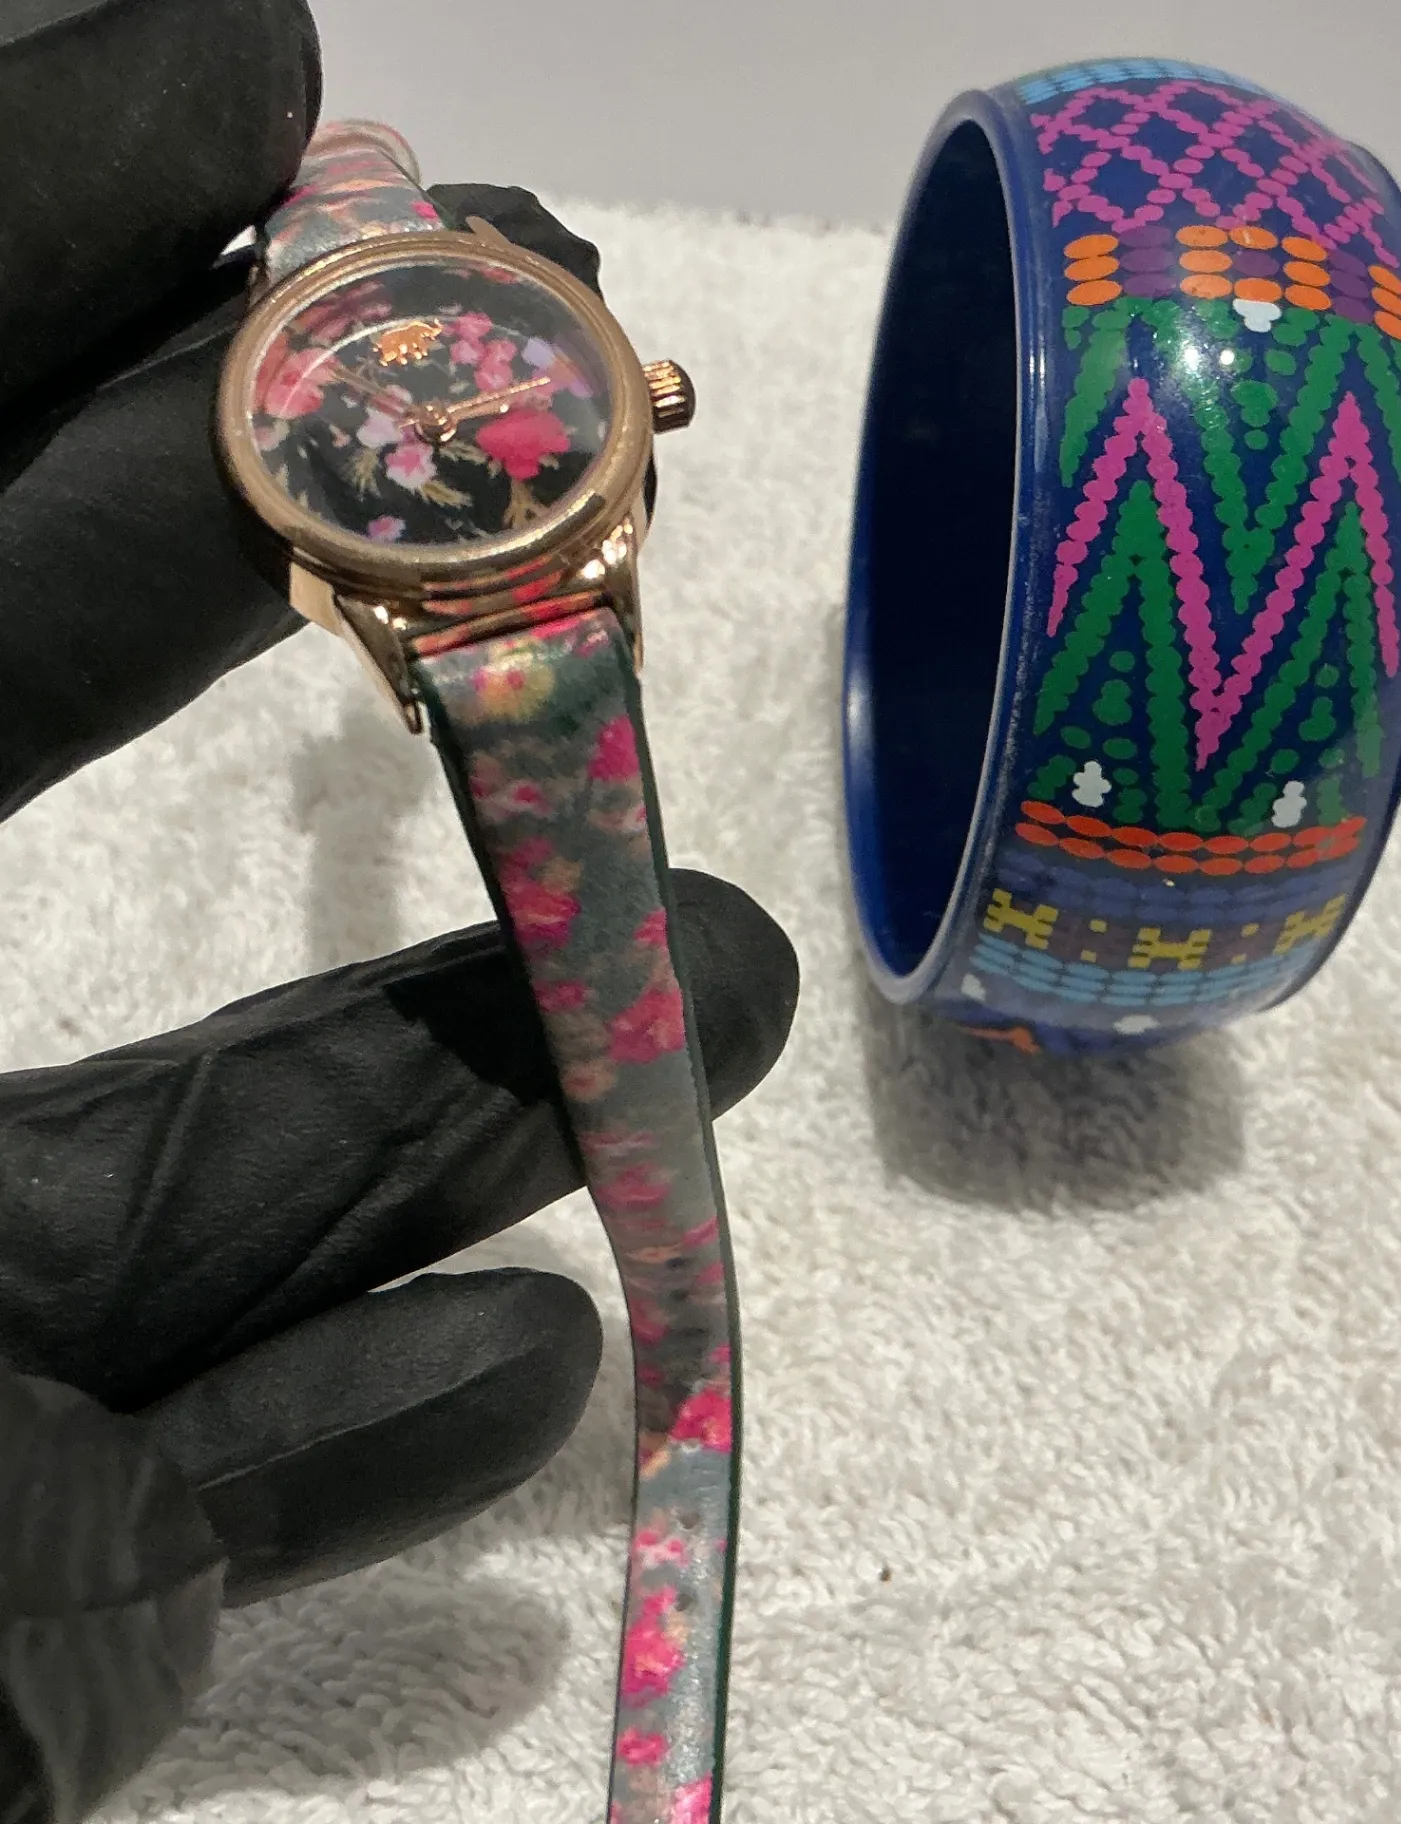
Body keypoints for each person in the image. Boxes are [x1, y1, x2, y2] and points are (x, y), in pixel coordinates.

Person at [0, 2, 797, 1815]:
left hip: (532, 558)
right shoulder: (362, 484)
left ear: (639, 396)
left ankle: (700, 1370)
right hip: (458, 578)